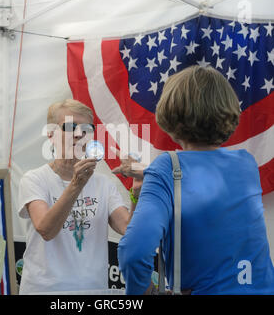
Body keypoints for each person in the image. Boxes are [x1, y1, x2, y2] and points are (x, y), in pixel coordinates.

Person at [116, 65, 274, 295]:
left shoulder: (166, 167)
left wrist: (144, 293)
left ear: (171, 114)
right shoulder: (245, 163)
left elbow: (134, 252)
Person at [18, 99, 139, 294]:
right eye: (69, 127)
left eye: (86, 128)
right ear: (51, 135)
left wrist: (137, 190)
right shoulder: (34, 179)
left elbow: (129, 229)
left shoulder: (103, 184)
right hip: (44, 291)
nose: (79, 134)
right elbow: (46, 230)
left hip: (93, 291)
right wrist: (76, 184)